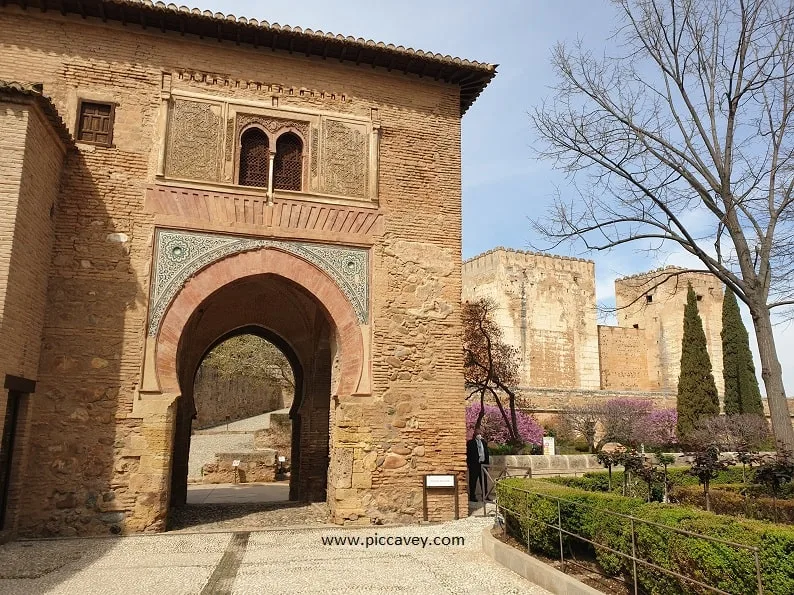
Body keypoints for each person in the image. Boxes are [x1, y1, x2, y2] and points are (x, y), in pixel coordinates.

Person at [466, 433, 489, 502]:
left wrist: (487, 464)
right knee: (473, 481)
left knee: (484, 481)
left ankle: (485, 496)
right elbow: (468, 453)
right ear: (475, 435)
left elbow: (486, 453)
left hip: (483, 464)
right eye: (478, 434)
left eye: (480, 434)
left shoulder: (484, 442)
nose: (479, 435)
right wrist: (469, 464)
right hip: (474, 465)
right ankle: (472, 496)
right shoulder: (470, 443)